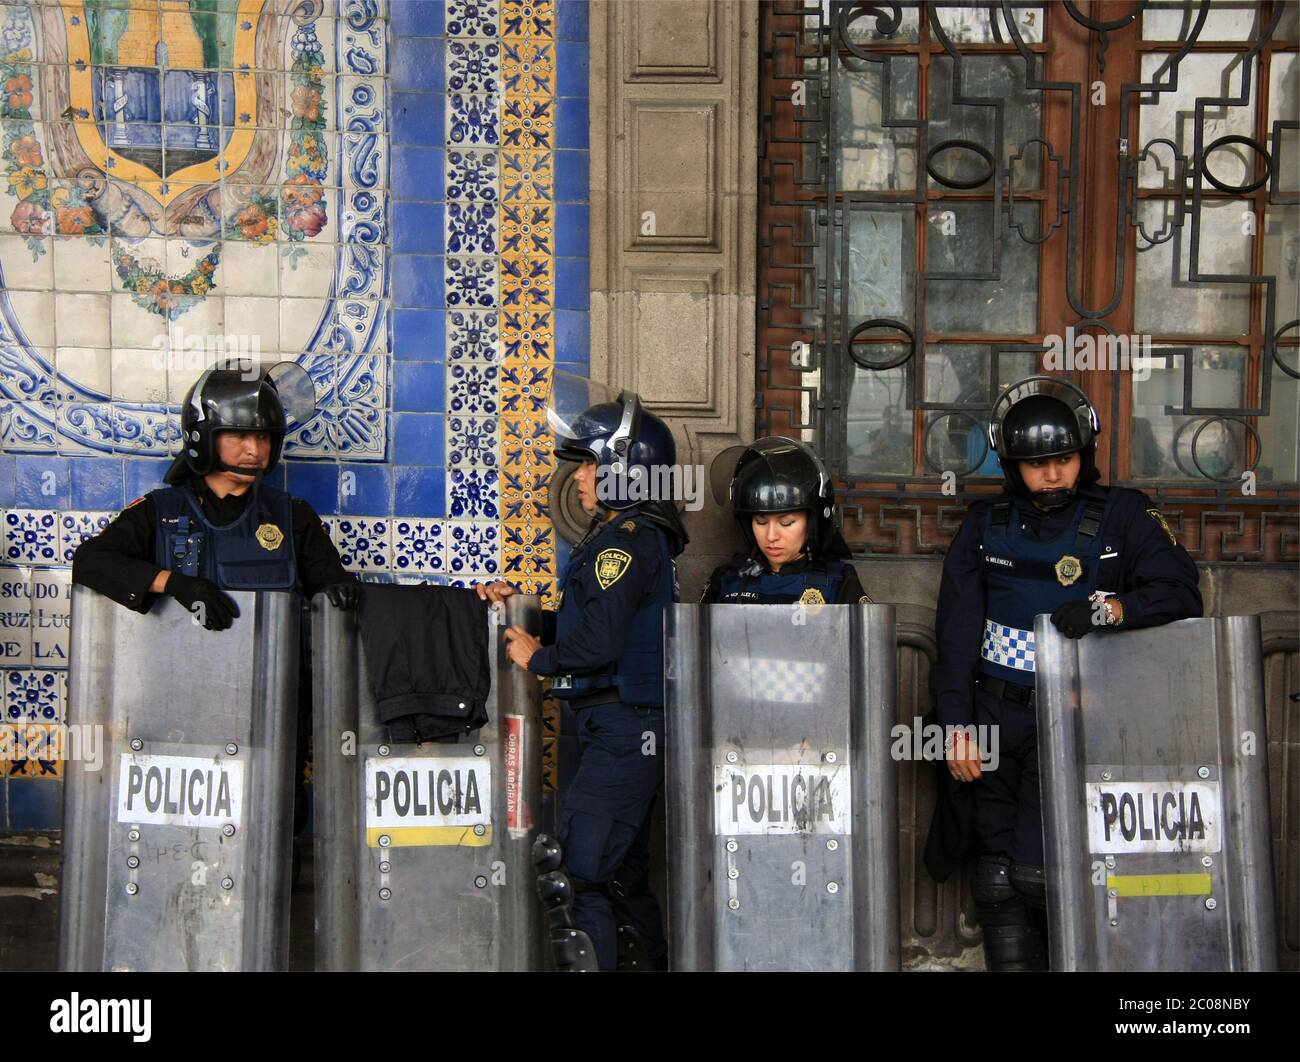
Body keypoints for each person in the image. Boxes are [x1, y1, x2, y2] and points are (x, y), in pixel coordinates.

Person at [931, 376, 1202, 971]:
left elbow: (1181, 591)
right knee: (997, 877)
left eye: (1063, 459)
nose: (1051, 474)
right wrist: (955, 725)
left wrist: (1110, 610)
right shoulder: (984, 523)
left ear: (1084, 455)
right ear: (1013, 466)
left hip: (1083, 717)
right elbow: (954, 635)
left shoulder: (1124, 515)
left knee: (1044, 871)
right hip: (994, 714)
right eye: (1036, 464)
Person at [476, 374, 687, 972]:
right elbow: (595, 624)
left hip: (621, 728)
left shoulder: (626, 540)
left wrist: (536, 658)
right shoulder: (637, 537)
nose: (580, 478)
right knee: (619, 881)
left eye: (592, 466)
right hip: (622, 726)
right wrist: (524, 611)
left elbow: (598, 642)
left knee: (578, 878)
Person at [72, 363, 358, 620]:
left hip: (273, 674)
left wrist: (339, 593)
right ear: (203, 437)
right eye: (239, 435)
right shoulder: (159, 512)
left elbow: (331, 587)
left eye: (262, 436)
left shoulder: (293, 515)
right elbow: (90, 562)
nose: (254, 450)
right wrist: (175, 583)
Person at [701, 436, 871, 604]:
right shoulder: (728, 580)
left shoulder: (838, 582)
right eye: (761, 522)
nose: (771, 536)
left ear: (813, 523)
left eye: (786, 523)